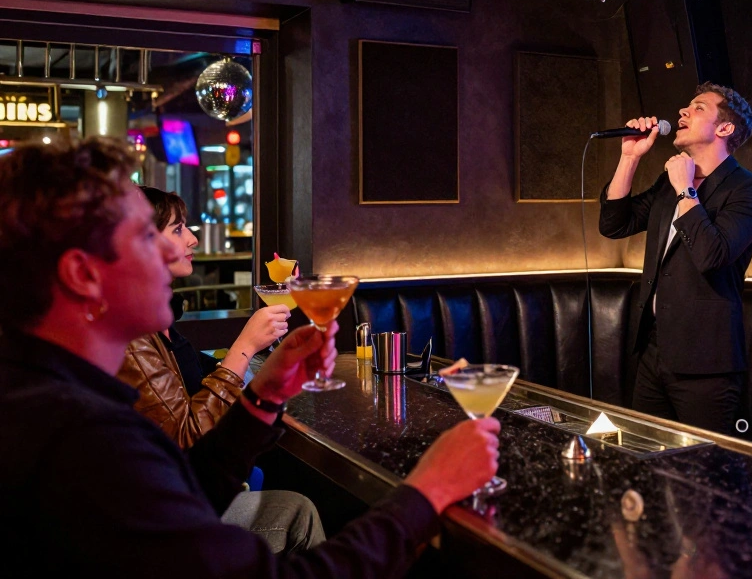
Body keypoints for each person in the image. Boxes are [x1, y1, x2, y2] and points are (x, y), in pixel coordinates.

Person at [0, 136, 501, 577]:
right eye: (146, 238)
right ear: (83, 275)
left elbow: (190, 495)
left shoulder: (52, 396)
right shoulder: (82, 440)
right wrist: (428, 492)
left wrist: (264, 395)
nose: (176, 253)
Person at [599, 82, 752, 434]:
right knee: (644, 452)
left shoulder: (748, 189)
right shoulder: (670, 182)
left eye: (698, 107)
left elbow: (712, 255)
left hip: (706, 363)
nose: (683, 111)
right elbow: (614, 224)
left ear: (725, 128)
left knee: (707, 464)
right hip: (653, 351)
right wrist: (629, 157)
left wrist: (685, 190)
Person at [119, 186, 291, 449]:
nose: (193, 239)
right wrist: (245, 346)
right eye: (178, 229)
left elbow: (204, 379)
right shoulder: (132, 334)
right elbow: (186, 438)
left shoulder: (160, 322)